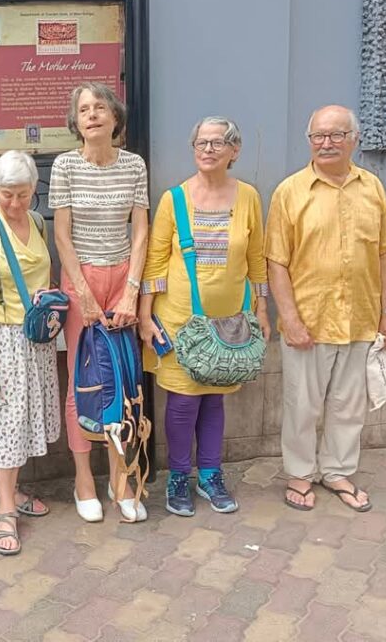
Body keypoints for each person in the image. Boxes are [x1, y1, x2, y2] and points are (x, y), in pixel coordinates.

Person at [266, 105, 386, 514]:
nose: (326, 143)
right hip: (309, 319)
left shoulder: (372, 188)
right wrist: (288, 318)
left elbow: (384, 255)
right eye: (318, 136)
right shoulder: (290, 191)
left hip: (359, 317)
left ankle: (338, 471)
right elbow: (276, 262)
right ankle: (299, 474)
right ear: (309, 141)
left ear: (353, 139)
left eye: (336, 135)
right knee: (302, 406)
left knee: (348, 405)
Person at [137, 117, 270, 517]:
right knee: (182, 402)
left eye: (217, 142)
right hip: (179, 321)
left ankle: (210, 475)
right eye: (201, 142)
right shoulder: (173, 200)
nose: (208, 149)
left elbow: (256, 259)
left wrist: (263, 307)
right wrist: (145, 316)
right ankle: (179, 476)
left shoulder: (248, 197)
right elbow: (155, 262)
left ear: (235, 151)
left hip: (231, 321)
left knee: (214, 399)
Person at [49, 81, 150, 523]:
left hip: (123, 276)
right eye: (84, 109)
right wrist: (84, 295)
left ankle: (121, 479)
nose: (92, 115)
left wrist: (132, 290)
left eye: (100, 107)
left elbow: (141, 231)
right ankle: (83, 479)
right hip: (81, 279)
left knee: (125, 381)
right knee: (82, 379)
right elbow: (62, 235)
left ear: (114, 117)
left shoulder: (133, 166)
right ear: (76, 122)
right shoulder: (65, 166)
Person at [0, 150, 60, 556]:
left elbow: (45, 271)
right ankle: (5, 508)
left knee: (22, 419)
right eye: (7, 194)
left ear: (34, 189)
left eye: (22, 194)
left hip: (35, 338)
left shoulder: (37, 222)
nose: (15, 203)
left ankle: (11, 491)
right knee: (6, 420)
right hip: (2, 339)